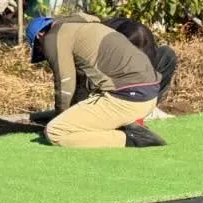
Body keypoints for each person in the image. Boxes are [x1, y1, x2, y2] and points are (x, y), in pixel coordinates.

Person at [25, 13, 166, 149]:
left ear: (40, 35)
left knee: (55, 131)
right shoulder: (83, 26)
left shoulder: (52, 37)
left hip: (127, 98)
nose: (43, 51)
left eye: (39, 48)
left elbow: (65, 84)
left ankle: (131, 138)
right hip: (147, 94)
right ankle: (128, 123)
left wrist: (61, 117)